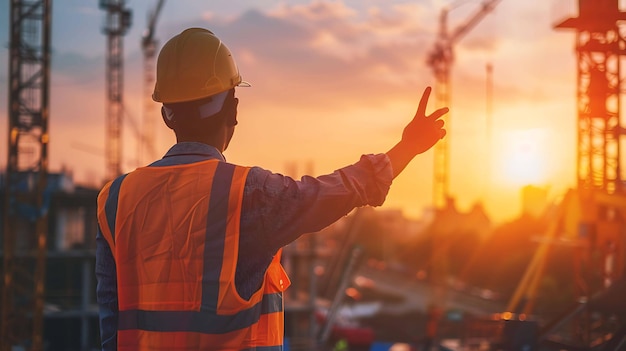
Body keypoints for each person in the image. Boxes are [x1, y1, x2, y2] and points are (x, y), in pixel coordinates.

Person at [95, 27, 447, 351]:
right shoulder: (244, 192)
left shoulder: (115, 200)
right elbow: (334, 192)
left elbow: (112, 323)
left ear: (165, 114)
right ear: (232, 110)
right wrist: (407, 149)